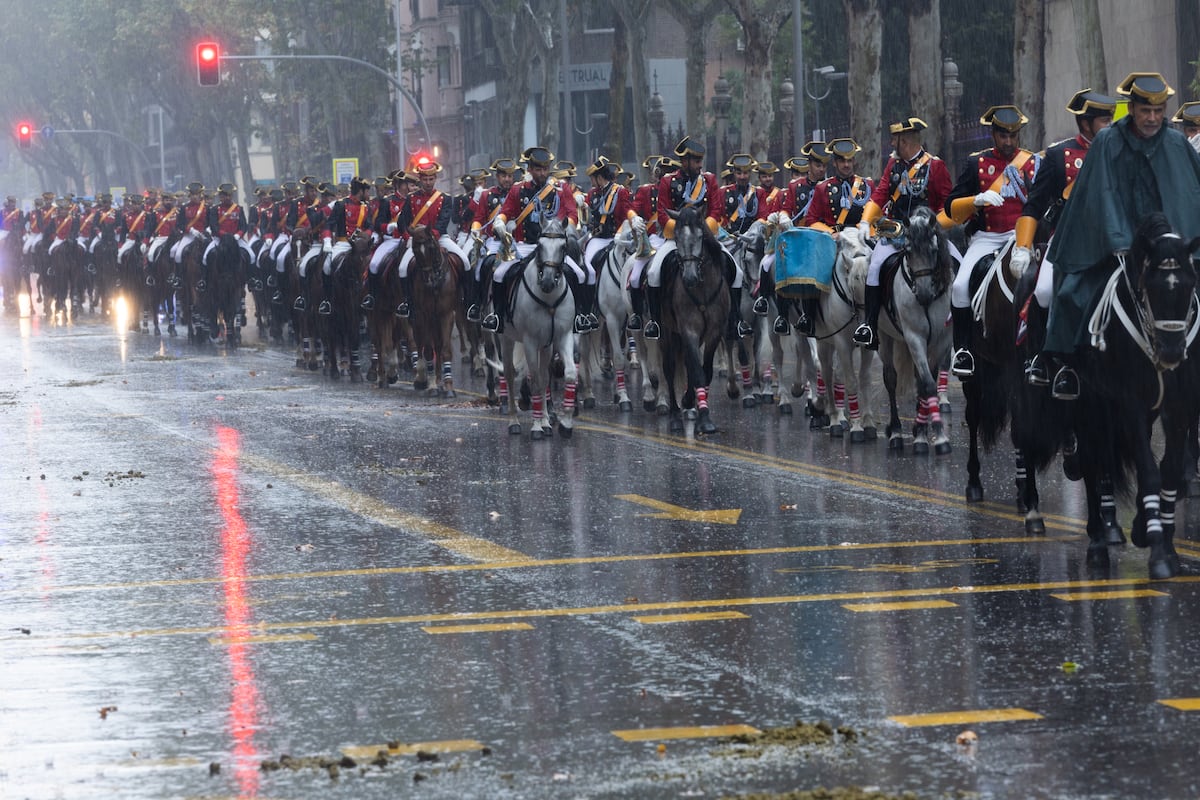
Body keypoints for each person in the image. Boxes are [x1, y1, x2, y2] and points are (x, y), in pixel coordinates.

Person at [1043, 72, 1200, 399]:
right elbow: (1101, 194)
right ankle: (1066, 368)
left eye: (1159, 111)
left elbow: (1190, 192)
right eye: (1146, 111)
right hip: (1115, 246)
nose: (1153, 118)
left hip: (1167, 248)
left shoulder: (1176, 142)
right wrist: (1119, 241)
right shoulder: (1107, 142)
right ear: (1131, 108)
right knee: (1071, 294)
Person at [1015, 89, 1117, 390]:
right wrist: (1023, 245)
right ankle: (1044, 359)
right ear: (1085, 124)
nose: (1110, 125)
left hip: (1113, 240)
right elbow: (1034, 204)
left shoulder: (1120, 153)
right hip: (1066, 241)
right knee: (1045, 291)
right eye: (1103, 120)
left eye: (1111, 119)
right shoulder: (1058, 156)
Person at [943, 105, 1040, 377]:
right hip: (987, 236)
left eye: (1013, 136)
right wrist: (976, 200)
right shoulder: (976, 163)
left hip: (1022, 235)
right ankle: (963, 350)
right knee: (960, 286)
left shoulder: (1032, 163)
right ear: (993, 135)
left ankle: (1043, 352)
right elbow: (951, 206)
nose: (1008, 142)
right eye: (1002, 136)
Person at [853, 117, 956, 349]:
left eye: (895, 140)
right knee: (874, 267)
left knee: (957, 262)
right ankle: (870, 325)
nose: (892, 144)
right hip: (896, 232)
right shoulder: (894, 166)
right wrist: (864, 221)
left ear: (906, 141)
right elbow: (880, 194)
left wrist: (932, 225)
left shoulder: (935, 166)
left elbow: (946, 205)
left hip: (928, 234)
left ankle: (960, 327)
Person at [642, 135, 752, 341]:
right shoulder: (668, 181)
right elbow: (663, 213)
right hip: (676, 239)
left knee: (736, 272)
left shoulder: (709, 180)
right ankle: (655, 322)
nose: (700, 165)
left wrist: (701, 229)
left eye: (701, 161)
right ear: (684, 161)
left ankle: (736, 321)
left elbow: (717, 210)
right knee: (654, 272)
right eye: (696, 161)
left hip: (704, 237)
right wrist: (683, 230)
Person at [482, 146, 580, 334]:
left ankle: (580, 316)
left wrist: (565, 229)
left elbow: (572, 214)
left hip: (553, 247)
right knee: (499, 274)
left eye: (545, 169)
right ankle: (499, 317)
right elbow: (505, 213)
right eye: (538, 169)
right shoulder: (518, 190)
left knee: (581, 274)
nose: (542, 173)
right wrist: (500, 223)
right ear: (530, 169)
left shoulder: (561, 189)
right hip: (525, 246)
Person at [791, 138, 875, 335]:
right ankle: (809, 317)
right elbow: (812, 219)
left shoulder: (867, 184)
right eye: (842, 161)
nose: (846, 164)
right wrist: (831, 233)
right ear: (835, 163)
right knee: (814, 269)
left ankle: (880, 317)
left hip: (862, 238)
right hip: (835, 240)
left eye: (850, 160)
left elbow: (877, 214)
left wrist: (869, 231)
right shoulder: (823, 188)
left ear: (854, 161)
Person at [394, 157, 471, 318]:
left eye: (431, 179)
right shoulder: (411, 198)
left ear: (435, 178)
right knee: (402, 268)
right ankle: (407, 303)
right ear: (420, 179)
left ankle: (467, 300)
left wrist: (431, 237)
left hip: (439, 238)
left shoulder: (444, 198)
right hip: (417, 241)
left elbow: (443, 222)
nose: (428, 182)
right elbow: (402, 221)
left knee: (465, 261)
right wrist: (409, 236)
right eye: (425, 179)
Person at [581, 156, 635, 332]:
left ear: (599, 176)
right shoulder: (592, 194)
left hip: (616, 237)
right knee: (587, 268)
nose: (591, 182)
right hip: (597, 240)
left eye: (592, 178)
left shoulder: (620, 192)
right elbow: (589, 219)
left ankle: (637, 309)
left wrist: (621, 233)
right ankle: (590, 311)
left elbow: (627, 213)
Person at [465, 158, 518, 322]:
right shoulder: (487, 195)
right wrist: (475, 229)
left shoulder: (519, 192)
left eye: (510, 176)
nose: (507, 179)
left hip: (518, 241)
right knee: (480, 267)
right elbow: (479, 218)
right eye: (504, 176)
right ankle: (477, 304)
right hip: (494, 242)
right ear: (497, 176)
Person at [626, 155, 673, 331]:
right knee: (636, 276)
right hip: (654, 240)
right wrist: (634, 217)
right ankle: (640, 316)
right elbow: (632, 208)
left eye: (669, 175)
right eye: (662, 175)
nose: (665, 178)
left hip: (675, 238)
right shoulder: (646, 191)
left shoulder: (679, 189)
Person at [317, 177, 371, 315]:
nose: (369, 194)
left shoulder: (366, 207)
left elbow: (369, 226)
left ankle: (369, 298)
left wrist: (366, 236)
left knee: (371, 267)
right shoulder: (341, 205)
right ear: (360, 191)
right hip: (343, 243)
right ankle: (327, 301)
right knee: (327, 266)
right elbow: (329, 224)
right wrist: (328, 241)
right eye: (367, 190)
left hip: (359, 246)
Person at [361, 170, 409, 313]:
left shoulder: (412, 201)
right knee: (374, 264)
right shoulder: (387, 202)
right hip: (391, 240)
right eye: (405, 184)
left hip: (409, 240)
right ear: (398, 186)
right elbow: (377, 224)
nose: (408, 188)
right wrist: (388, 226)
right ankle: (372, 296)